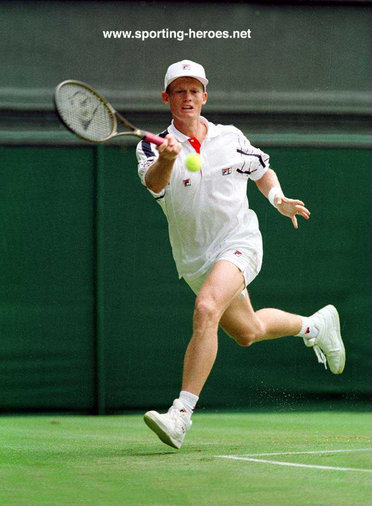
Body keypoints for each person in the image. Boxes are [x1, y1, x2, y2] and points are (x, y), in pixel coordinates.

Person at [136, 60, 345, 449]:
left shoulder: (229, 136)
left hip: (239, 239)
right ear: (166, 98)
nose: (188, 97)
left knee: (206, 308)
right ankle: (314, 326)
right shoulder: (151, 145)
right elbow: (154, 184)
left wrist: (278, 199)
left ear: (205, 96)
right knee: (247, 332)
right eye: (179, 91)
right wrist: (167, 157)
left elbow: (261, 169)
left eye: (194, 90)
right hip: (196, 259)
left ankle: (180, 415)